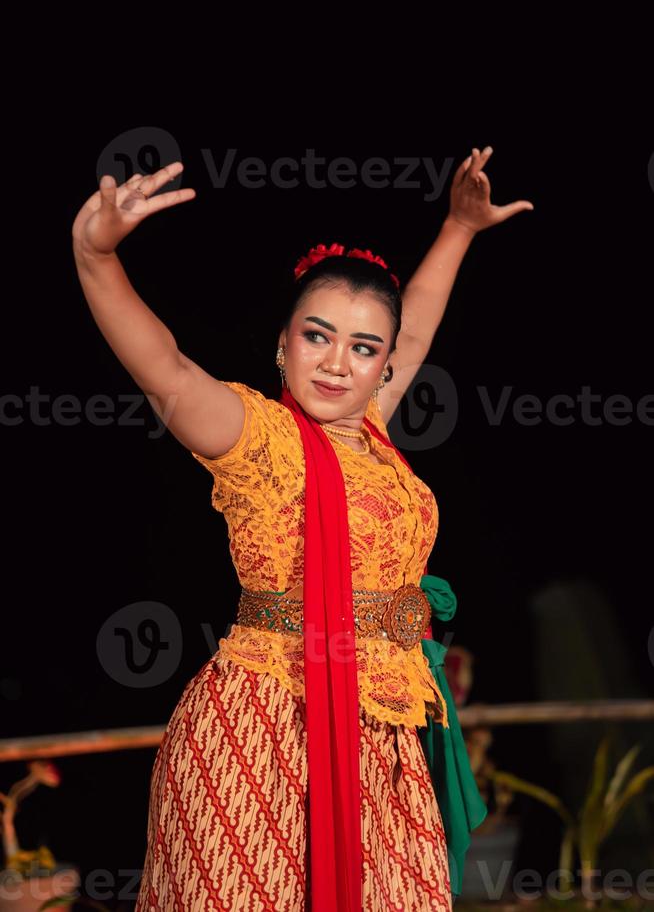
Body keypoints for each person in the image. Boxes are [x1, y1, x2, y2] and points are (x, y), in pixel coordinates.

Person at [71, 149, 533, 911]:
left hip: (383, 739)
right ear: (284, 342)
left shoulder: (373, 428)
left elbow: (411, 326)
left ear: (382, 367)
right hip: (265, 730)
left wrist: (457, 227)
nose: (336, 364)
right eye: (317, 336)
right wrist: (95, 255)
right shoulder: (258, 438)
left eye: (362, 348)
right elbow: (167, 369)